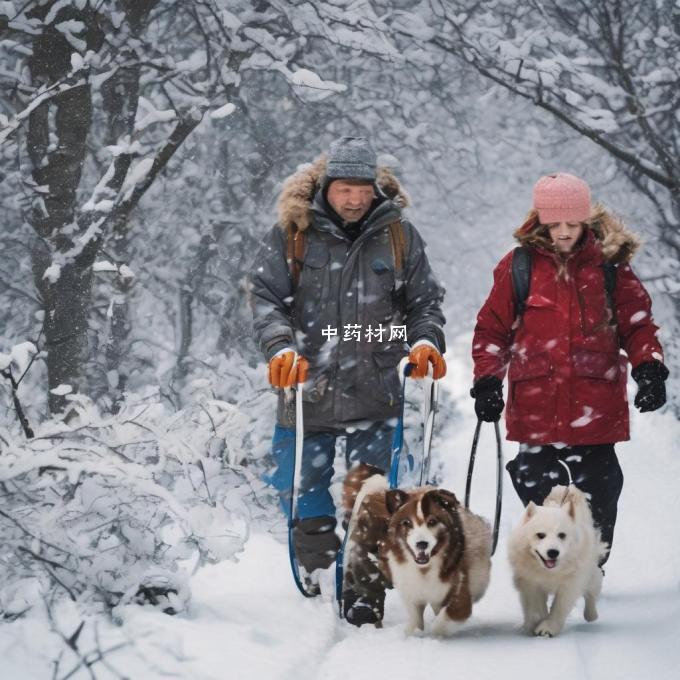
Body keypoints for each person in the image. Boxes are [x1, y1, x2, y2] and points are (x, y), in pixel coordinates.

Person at [248, 136, 447, 624]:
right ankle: (317, 568)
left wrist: (425, 343)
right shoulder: (293, 234)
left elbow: (425, 304)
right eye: (345, 189)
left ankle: (364, 596)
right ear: (326, 187)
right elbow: (266, 299)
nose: (355, 199)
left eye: (362, 189)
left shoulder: (399, 236)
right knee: (302, 489)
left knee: (372, 501)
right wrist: (281, 347)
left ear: (375, 189)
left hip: (375, 390)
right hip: (305, 388)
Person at [471, 173, 668, 566]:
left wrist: (648, 368)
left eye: (572, 224)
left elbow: (637, 324)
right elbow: (492, 328)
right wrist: (488, 381)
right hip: (536, 405)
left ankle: (591, 567)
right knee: (533, 485)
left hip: (594, 405)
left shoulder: (609, 267)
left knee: (601, 492)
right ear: (540, 221)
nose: (563, 232)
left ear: (587, 221)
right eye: (555, 224)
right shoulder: (519, 266)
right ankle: (552, 567)